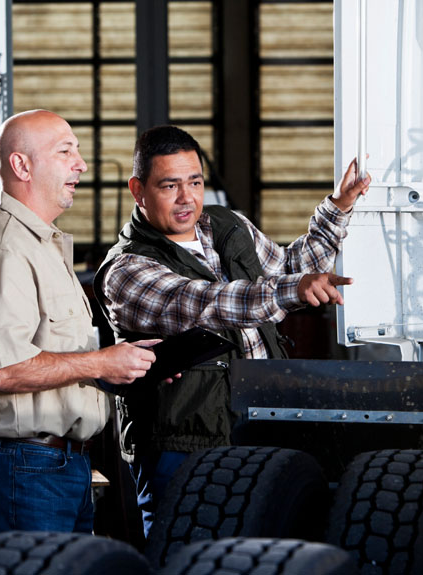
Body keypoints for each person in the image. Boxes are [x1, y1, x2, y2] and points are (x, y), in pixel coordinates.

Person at [93, 125, 370, 536]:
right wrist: (292, 289)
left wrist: (338, 206)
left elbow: (291, 268)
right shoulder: (126, 270)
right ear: (138, 190)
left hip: (264, 427)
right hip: (184, 447)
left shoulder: (225, 226)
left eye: (195, 182)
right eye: (170, 185)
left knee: (268, 553)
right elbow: (207, 303)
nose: (187, 198)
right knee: (190, 557)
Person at [0, 109, 161, 535]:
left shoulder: (41, 245)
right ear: (21, 165)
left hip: (55, 468)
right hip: (20, 471)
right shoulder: (1, 251)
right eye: (65, 152)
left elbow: (55, 357)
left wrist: (123, 367)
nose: (80, 164)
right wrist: (100, 364)